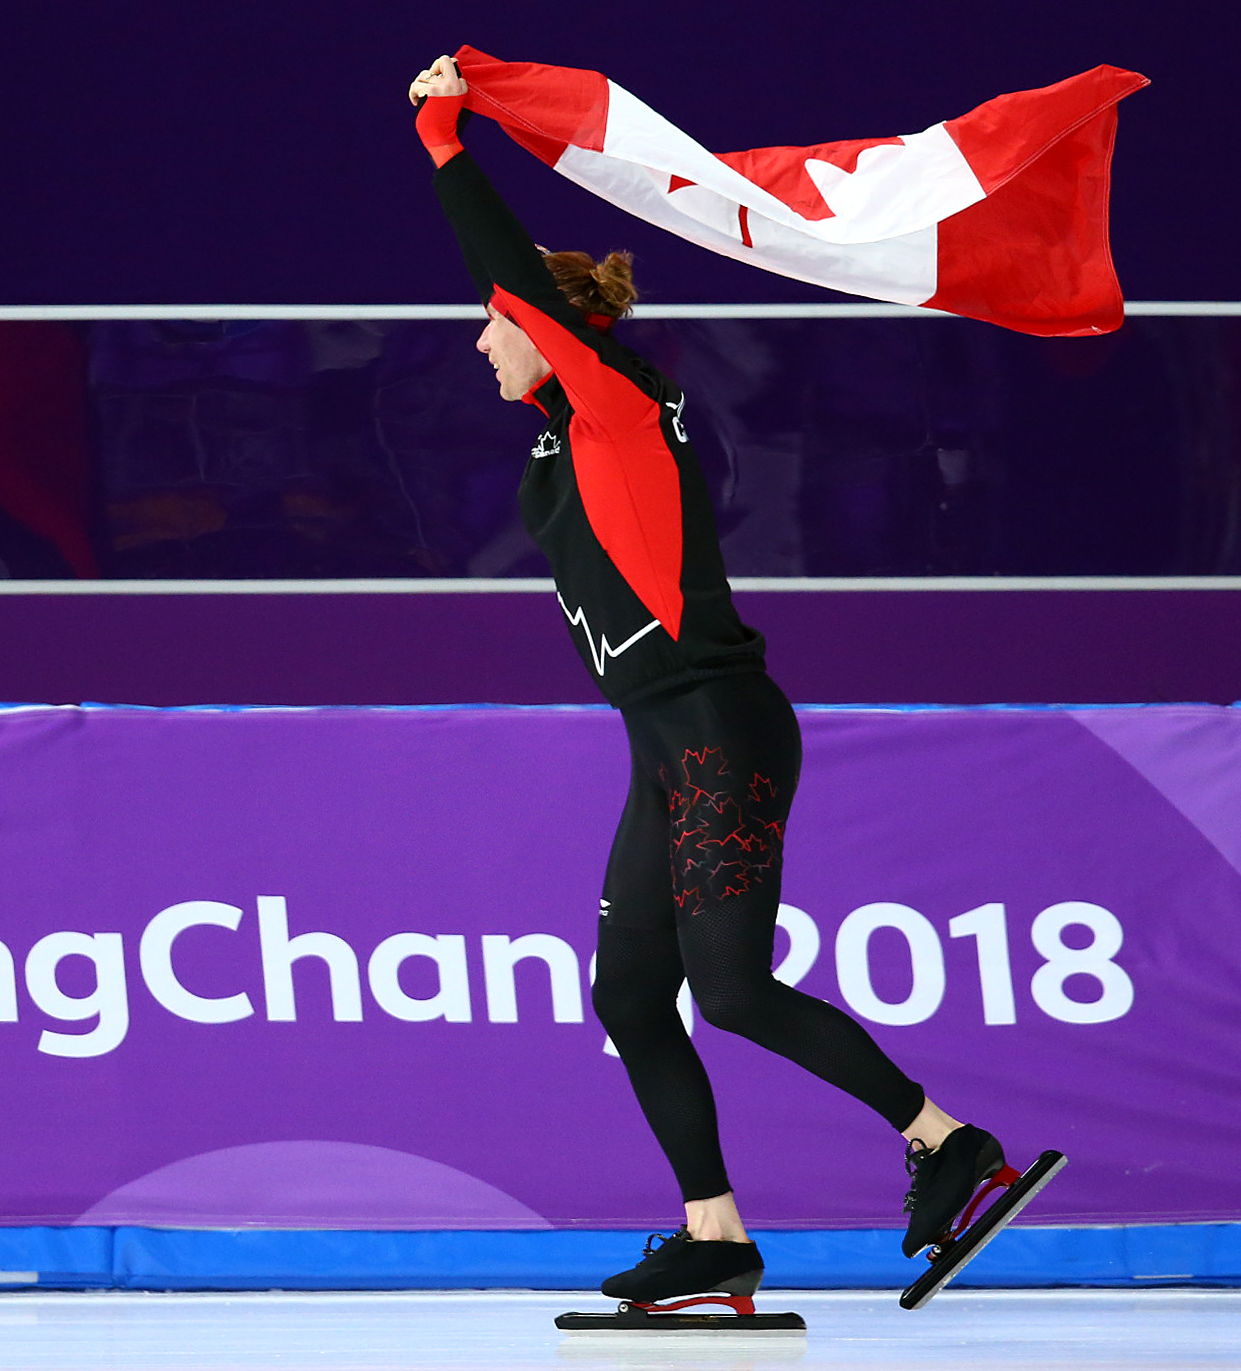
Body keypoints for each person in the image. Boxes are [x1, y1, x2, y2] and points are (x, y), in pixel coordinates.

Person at [407, 54, 1015, 1304]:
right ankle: (714, 1236)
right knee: (630, 991)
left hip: (717, 730)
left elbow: (506, 271)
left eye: (491, 324)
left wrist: (443, 136)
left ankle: (947, 1144)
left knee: (729, 991)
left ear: (538, 326)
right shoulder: (571, 432)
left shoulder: (617, 406)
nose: (478, 340)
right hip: (662, 740)